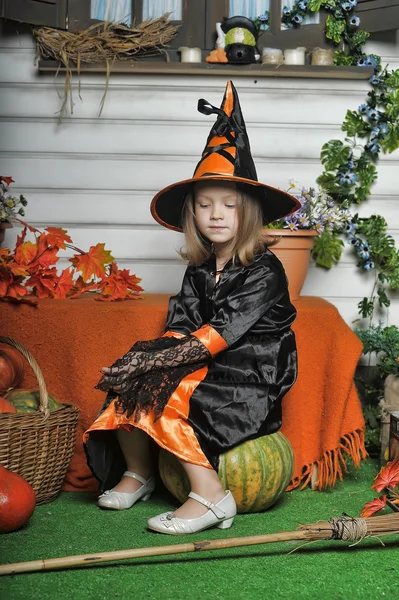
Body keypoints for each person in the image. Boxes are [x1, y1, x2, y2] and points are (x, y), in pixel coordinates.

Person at [84, 81, 300, 536]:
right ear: (192, 214)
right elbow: (182, 325)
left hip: (248, 374)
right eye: (205, 205)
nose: (216, 214)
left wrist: (157, 363)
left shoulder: (265, 270)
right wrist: (142, 362)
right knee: (135, 379)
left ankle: (212, 496)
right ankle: (138, 472)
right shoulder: (201, 269)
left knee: (168, 390)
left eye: (229, 205)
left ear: (251, 213)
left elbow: (222, 333)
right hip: (203, 359)